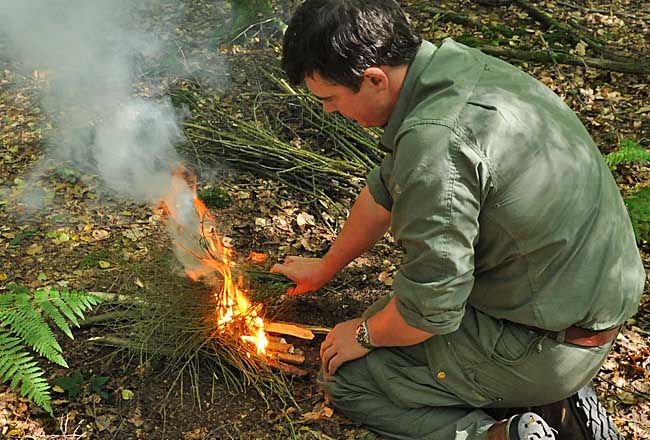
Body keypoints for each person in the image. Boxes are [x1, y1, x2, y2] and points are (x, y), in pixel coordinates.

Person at [272, 1, 645, 439]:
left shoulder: (434, 142)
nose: (329, 112)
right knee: (381, 320)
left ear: (374, 79)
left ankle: (505, 432)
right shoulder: (455, 71)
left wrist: (366, 334)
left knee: (348, 377)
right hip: (580, 312)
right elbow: (383, 193)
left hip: (547, 344)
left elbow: (428, 312)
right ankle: (555, 404)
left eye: (330, 99)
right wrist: (324, 267)